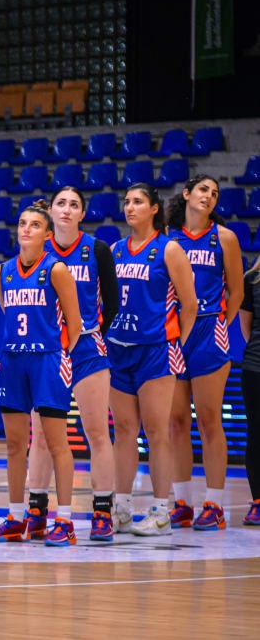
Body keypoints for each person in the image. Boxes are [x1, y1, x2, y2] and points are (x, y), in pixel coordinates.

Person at [25, 187, 120, 542]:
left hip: (86, 348)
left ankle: (102, 512)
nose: (66, 209)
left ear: (82, 213)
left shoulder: (96, 250)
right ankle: (36, 510)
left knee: (96, 432)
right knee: (43, 438)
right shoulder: (36, 249)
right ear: (50, 211)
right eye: (61, 203)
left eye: (74, 205)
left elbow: (111, 305)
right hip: (47, 351)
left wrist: (86, 334)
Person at [0, 200, 82, 546]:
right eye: (22, 223)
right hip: (13, 360)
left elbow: (75, 323)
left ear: (46, 233)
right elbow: (6, 309)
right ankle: (16, 516)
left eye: (34, 225)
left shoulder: (56, 270)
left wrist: (59, 357)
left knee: (57, 442)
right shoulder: (3, 272)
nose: (26, 229)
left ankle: (66, 519)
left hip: (48, 360)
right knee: (15, 444)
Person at [107, 183, 197, 535]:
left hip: (156, 349)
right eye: (127, 201)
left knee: (157, 431)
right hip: (118, 348)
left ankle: (162, 510)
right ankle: (123, 508)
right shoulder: (115, 250)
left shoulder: (169, 249)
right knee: (125, 431)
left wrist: (176, 341)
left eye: (138, 202)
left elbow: (189, 304)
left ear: (154, 209)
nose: (130, 207)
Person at [166, 175, 243, 531]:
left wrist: (219, 325)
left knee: (209, 419)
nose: (209, 197)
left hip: (209, 330)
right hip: (174, 332)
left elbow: (237, 292)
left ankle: (214, 504)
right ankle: (182, 502)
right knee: (176, 422)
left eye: (214, 194)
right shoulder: (168, 237)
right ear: (186, 194)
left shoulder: (224, 238)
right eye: (203, 190)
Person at [237, 258, 260, 525]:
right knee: (256, 433)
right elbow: (246, 327)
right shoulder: (252, 279)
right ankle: (257, 500)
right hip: (255, 368)